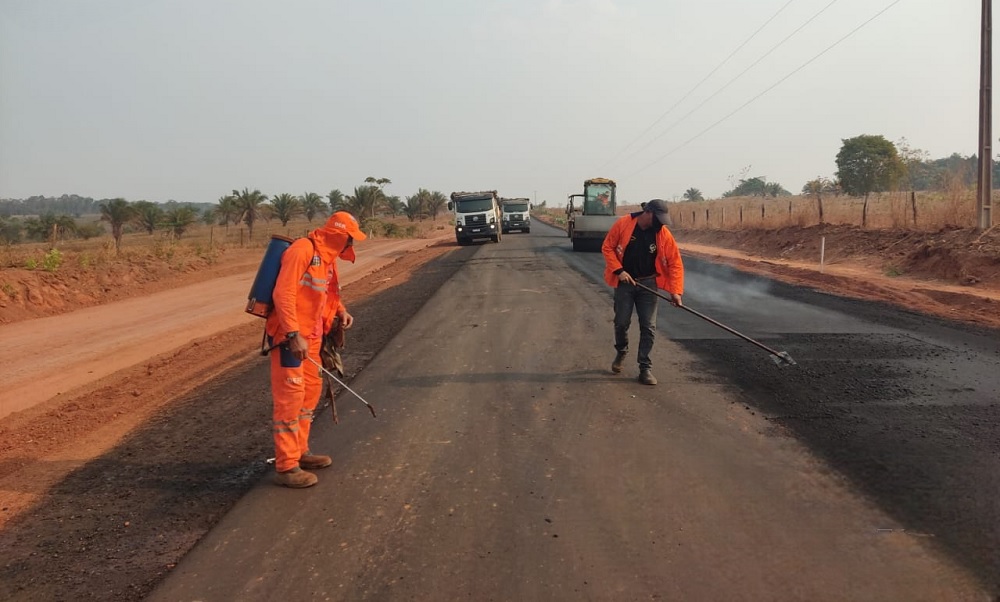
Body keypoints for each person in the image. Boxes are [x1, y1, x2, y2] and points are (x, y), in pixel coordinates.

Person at [265, 211, 366, 488]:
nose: (351, 245)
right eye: (350, 239)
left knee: (310, 394)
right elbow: (282, 294)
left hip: (313, 337)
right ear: (339, 235)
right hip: (290, 339)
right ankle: (286, 467)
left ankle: (300, 451)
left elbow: (328, 294)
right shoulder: (302, 251)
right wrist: (293, 334)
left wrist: (341, 312)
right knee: (291, 398)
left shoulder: (327, 260)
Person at [601, 199, 684, 385]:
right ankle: (622, 351)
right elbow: (607, 247)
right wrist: (619, 271)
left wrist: (675, 291)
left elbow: (675, 263)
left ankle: (645, 368)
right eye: (659, 219)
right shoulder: (624, 224)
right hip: (625, 284)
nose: (661, 224)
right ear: (648, 213)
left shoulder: (662, 234)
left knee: (648, 327)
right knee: (621, 322)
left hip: (649, 284)